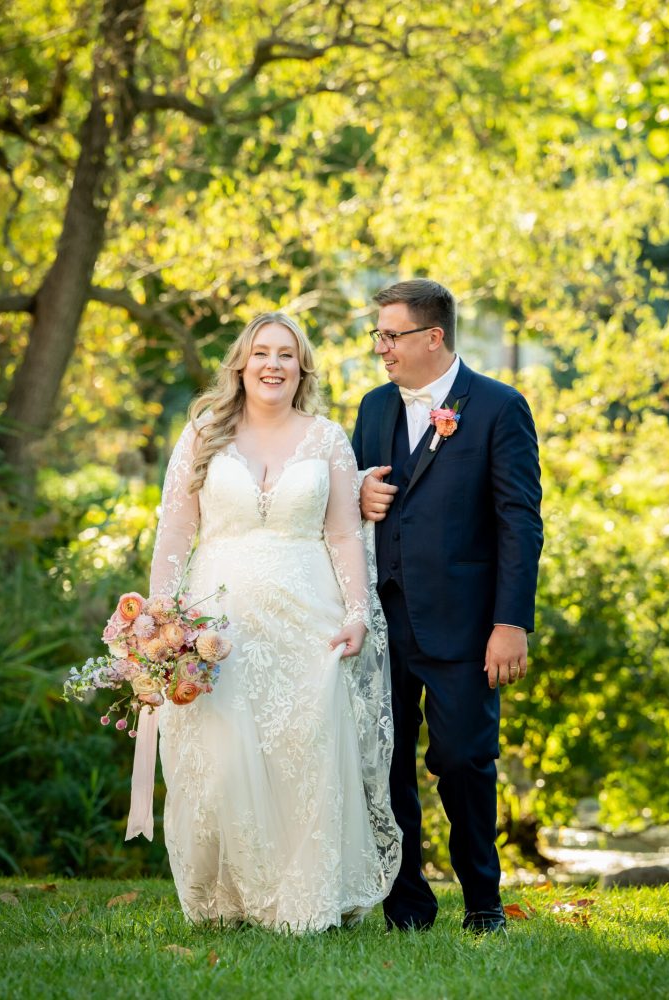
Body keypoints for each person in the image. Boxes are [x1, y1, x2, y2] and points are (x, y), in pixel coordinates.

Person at [126, 312, 400, 931]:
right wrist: (159, 616)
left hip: (309, 619)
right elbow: (175, 528)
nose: (272, 364)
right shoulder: (204, 434)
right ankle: (229, 902)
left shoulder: (327, 438)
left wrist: (357, 614)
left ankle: (303, 902)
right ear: (241, 365)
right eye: (261, 353)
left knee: (299, 755)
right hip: (217, 623)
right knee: (221, 757)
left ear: (301, 366)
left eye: (285, 354)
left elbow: (341, 533)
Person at [352, 279, 543, 934]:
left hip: (465, 625)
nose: (381, 348)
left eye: (391, 335)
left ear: (433, 337)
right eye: (377, 335)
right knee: (389, 762)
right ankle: (406, 908)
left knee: (462, 760)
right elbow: (352, 501)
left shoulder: (497, 407)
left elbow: (520, 521)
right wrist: (357, 495)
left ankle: (483, 903)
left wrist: (511, 622)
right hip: (384, 618)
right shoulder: (374, 408)